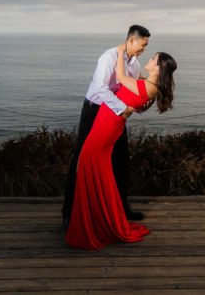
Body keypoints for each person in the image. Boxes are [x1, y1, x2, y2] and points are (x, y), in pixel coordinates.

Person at [65, 42, 177, 250]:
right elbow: (129, 91)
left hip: (107, 127)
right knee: (96, 170)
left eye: (153, 59)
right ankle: (97, 218)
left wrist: (118, 53)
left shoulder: (148, 86)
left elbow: (120, 78)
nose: (149, 59)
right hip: (106, 122)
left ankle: (94, 222)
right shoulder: (147, 83)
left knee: (88, 166)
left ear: (159, 67)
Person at [62, 25, 150, 232]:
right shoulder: (108, 57)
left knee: (120, 160)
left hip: (114, 115)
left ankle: (122, 208)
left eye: (147, 46)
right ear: (131, 41)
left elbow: (128, 93)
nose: (144, 49)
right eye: (143, 45)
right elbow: (101, 88)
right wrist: (124, 110)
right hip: (94, 112)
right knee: (80, 159)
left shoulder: (135, 66)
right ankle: (68, 214)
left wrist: (138, 108)